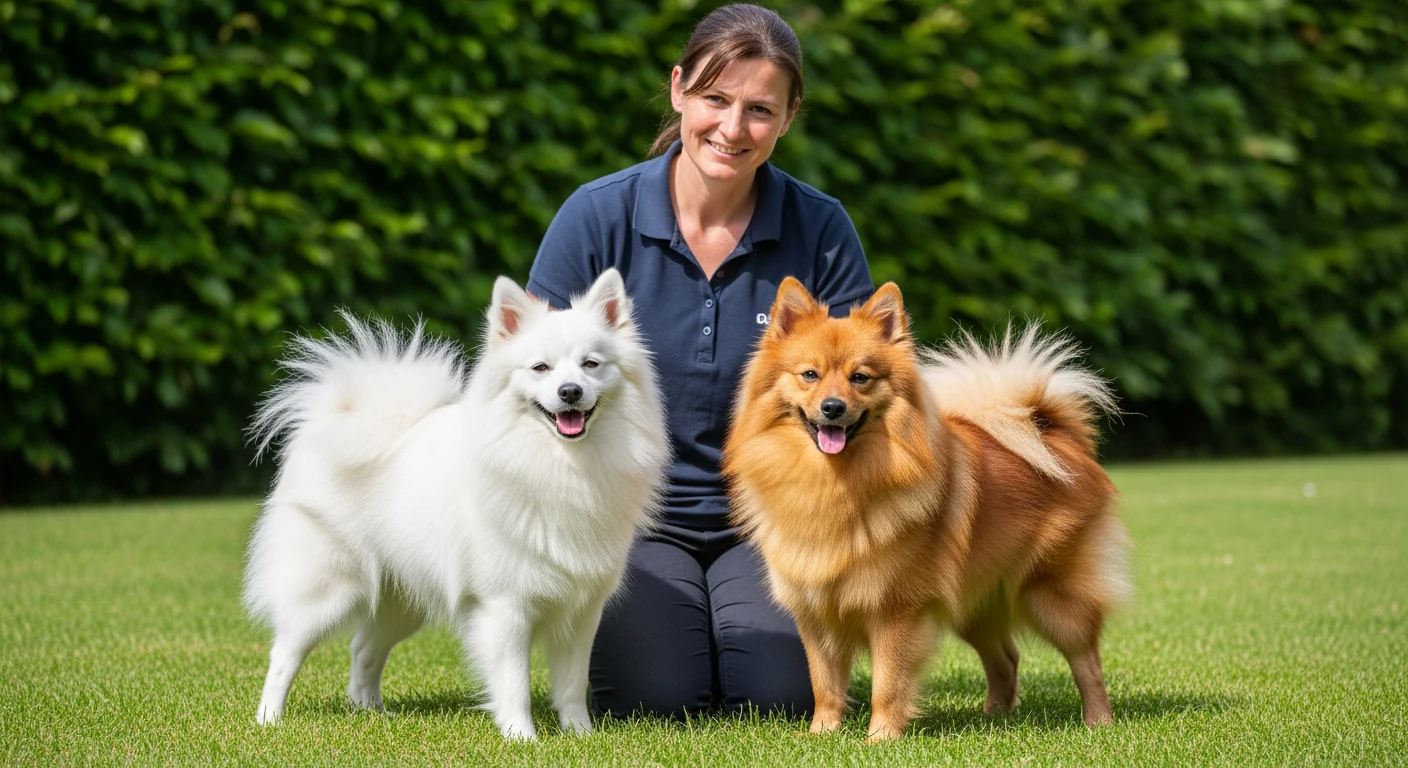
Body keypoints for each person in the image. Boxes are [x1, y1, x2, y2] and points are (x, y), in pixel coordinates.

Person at [526, 3, 873, 720]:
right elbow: (528, 383)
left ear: (788, 118)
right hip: (629, 519)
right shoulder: (595, 217)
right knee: (656, 698)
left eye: (759, 110)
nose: (731, 127)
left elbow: (864, 390)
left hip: (774, 522)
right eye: (715, 99)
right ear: (680, 87)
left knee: (779, 698)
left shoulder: (822, 227)